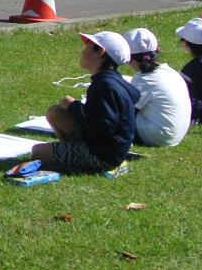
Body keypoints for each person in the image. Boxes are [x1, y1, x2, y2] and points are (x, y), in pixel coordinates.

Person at [32, 31, 140, 174]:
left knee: (37, 152)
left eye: (87, 47)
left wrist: (74, 106)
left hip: (103, 155)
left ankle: (82, 163)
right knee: (55, 112)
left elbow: (104, 126)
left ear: (100, 52)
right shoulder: (107, 80)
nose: (82, 51)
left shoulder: (106, 86)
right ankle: (71, 152)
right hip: (98, 141)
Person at [124, 27, 191, 148]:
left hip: (160, 135)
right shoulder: (169, 71)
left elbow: (126, 111)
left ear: (129, 59)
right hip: (176, 133)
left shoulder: (144, 79)